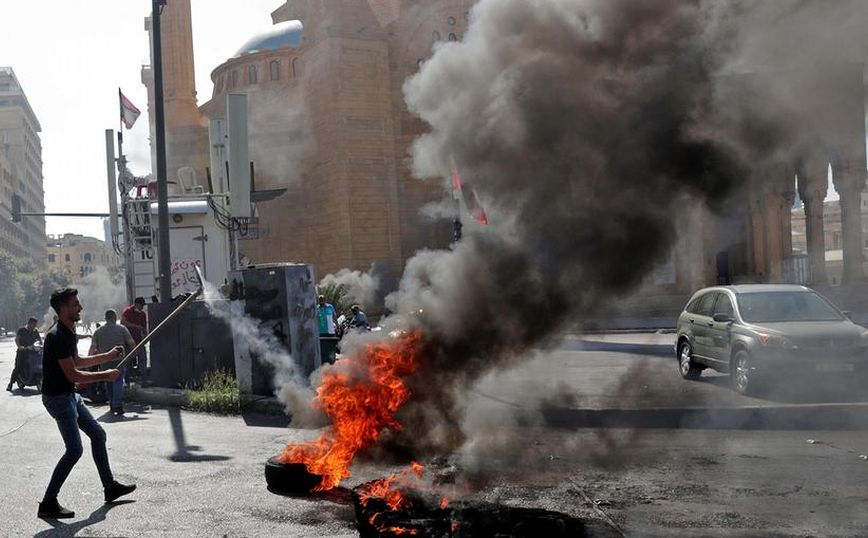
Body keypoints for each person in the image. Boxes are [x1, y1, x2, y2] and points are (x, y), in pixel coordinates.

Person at [38, 288, 136, 519]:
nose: (80, 308)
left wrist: (108, 355)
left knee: (98, 435)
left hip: (69, 396)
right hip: (58, 399)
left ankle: (110, 487)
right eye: (75, 305)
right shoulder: (57, 336)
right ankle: (48, 502)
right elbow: (74, 375)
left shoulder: (67, 331)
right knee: (74, 450)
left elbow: (78, 361)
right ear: (63, 310)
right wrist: (106, 375)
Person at [89, 310, 136, 415]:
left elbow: (93, 348)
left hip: (104, 361)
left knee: (108, 382)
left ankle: (111, 403)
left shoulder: (98, 331)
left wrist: (89, 362)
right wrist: (134, 354)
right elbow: (131, 343)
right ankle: (117, 405)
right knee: (118, 381)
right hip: (119, 360)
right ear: (115, 317)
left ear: (105, 318)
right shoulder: (122, 329)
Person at [7, 317, 41, 391]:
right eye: (33, 324)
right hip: (23, 352)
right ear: (29, 323)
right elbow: (17, 339)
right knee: (18, 366)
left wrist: (42, 345)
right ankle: (10, 384)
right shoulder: (21, 330)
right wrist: (20, 347)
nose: (34, 326)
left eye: (35, 325)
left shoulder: (35, 331)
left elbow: (39, 340)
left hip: (33, 351)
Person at [121, 297, 148, 381]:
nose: (142, 307)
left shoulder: (142, 314)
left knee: (142, 359)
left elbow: (144, 327)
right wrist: (136, 326)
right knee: (128, 361)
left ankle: (143, 379)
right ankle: (128, 379)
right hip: (128, 341)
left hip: (139, 341)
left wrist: (146, 336)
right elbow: (123, 322)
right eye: (141, 305)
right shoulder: (128, 311)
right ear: (136, 304)